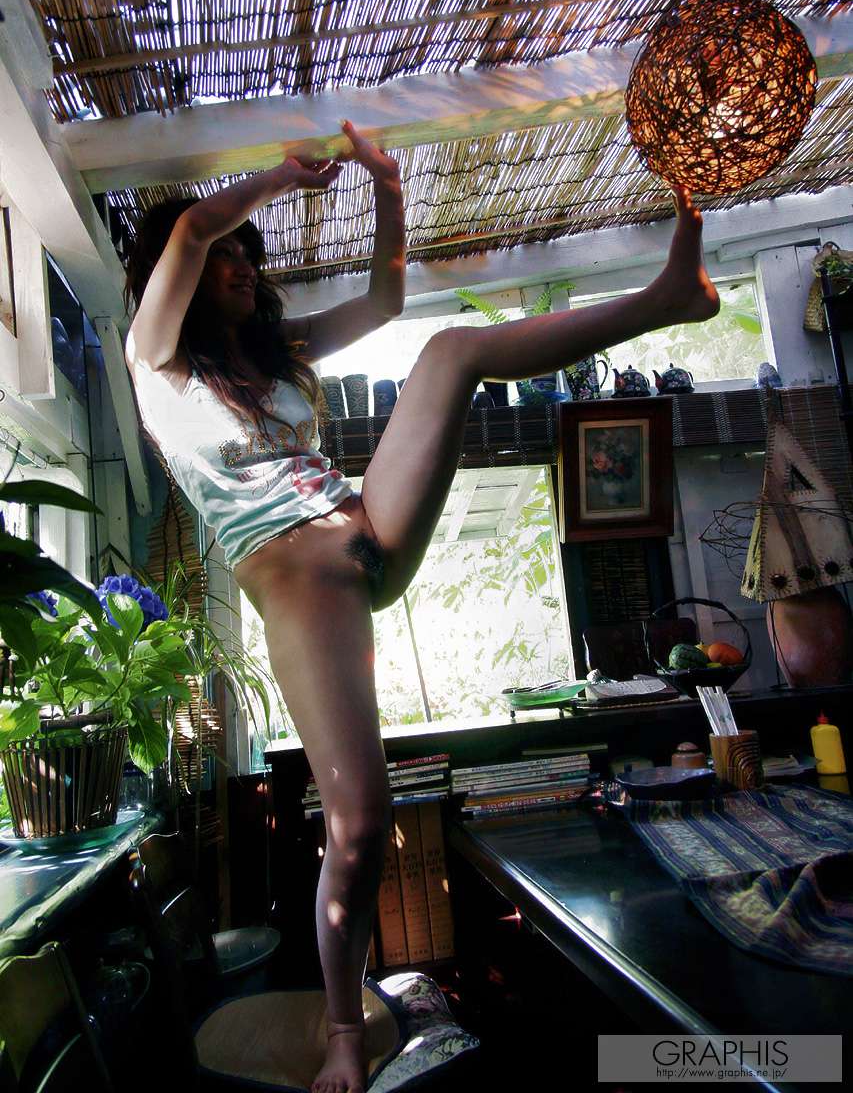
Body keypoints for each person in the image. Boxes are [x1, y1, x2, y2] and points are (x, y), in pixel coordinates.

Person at [124, 121, 719, 1093]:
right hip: (298, 582)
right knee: (359, 824)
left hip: (366, 525)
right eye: (228, 255)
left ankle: (664, 299)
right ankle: (343, 1029)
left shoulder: (277, 350)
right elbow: (189, 232)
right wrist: (282, 177)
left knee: (446, 348)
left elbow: (388, 300)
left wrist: (388, 191)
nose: (240, 266)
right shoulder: (157, 362)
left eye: (248, 256)